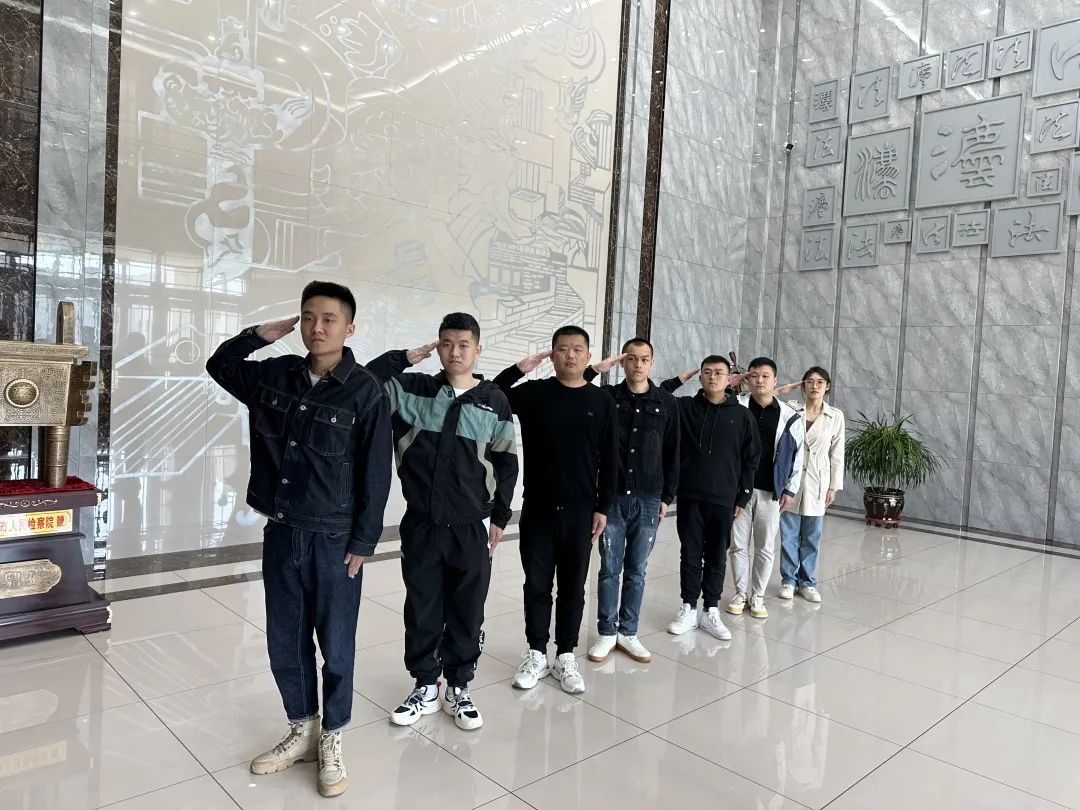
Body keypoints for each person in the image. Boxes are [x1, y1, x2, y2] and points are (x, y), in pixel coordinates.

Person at [205, 281, 392, 798]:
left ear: (349, 327)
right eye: (308, 317)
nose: (316, 327)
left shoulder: (365, 392)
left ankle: (332, 737)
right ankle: (302, 728)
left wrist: (364, 542)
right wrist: (257, 336)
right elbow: (220, 365)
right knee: (284, 639)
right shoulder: (277, 375)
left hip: (335, 537)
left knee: (336, 643)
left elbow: (377, 474)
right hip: (282, 528)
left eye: (329, 319)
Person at [363, 314, 519, 731]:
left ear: (478, 349)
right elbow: (364, 382)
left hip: (471, 527)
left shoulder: (494, 400)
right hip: (422, 524)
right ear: (437, 346)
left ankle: (459, 686)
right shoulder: (412, 390)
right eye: (446, 343)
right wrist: (402, 358)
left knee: (468, 608)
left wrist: (501, 516)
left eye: (464, 344)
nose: (455, 352)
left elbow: (506, 462)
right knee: (423, 605)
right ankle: (425, 685)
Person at [494, 327, 618, 694]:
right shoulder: (535, 394)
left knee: (573, 587)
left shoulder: (601, 401)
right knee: (536, 584)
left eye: (578, 349)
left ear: (588, 356)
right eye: (562, 349)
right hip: (538, 509)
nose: (570, 355)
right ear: (552, 354)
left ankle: (565, 654)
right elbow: (492, 395)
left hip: (581, 512)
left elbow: (611, 458)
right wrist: (519, 368)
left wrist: (603, 507)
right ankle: (536, 652)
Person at [579, 338, 680, 664]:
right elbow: (578, 387)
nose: (638, 365)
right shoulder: (607, 398)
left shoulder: (666, 403)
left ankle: (628, 632)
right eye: (631, 359)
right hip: (611, 498)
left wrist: (667, 497)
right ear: (622, 362)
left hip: (649, 498)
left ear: (652, 363)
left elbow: (673, 453)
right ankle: (607, 632)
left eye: (644, 359)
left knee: (637, 570)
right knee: (609, 568)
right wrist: (597, 368)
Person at [659, 356, 760, 640]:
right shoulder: (684, 408)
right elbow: (659, 395)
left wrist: (743, 497)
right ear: (700, 377)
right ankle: (689, 608)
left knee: (717, 555)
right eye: (707, 372)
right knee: (690, 554)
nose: (713, 377)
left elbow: (751, 459)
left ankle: (711, 610)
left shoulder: (742, 416)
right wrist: (680, 378)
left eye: (719, 373)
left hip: (724, 499)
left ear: (729, 379)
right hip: (690, 496)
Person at [728, 357, 805, 620]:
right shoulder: (736, 406)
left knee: (765, 547)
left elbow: (798, 455)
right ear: (747, 379)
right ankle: (741, 593)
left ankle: (758, 595)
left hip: (771, 490)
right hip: (739, 490)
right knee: (738, 545)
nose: (759, 381)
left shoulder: (789, 416)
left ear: (775, 381)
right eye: (754, 376)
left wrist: (790, 489)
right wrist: (729, 384)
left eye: (765, 376)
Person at [777, 367, 845, 603]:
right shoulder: (791, 408)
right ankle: (788, 580)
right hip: (791, 480)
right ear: (803, 385)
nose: (814, 386)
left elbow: (837, 453)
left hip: (818, 481)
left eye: (820, 382)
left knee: (811, 537)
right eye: (809, 381)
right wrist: (783, 390)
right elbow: (765, 399)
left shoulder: (835, 416)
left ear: (827, 386)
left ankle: (807, 582)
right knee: (788, 534)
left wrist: (833, 486)